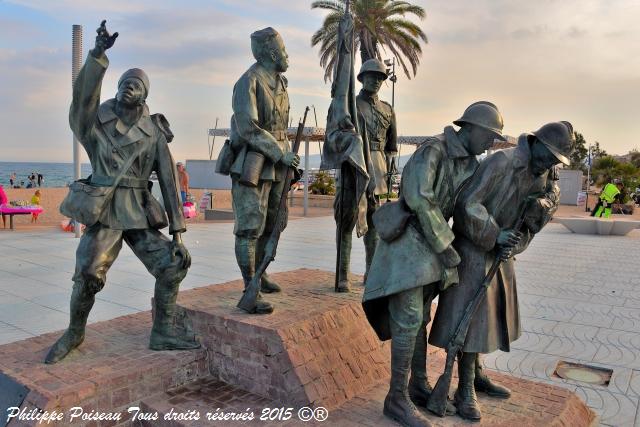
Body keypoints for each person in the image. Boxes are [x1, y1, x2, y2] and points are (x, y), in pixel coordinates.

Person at [45, 20, 199, 364]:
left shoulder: (154, 132)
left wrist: (178, 233)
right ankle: (74, 332)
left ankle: (163, 331)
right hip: (106, 210)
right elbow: (81, 102)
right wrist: (98, 55)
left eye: (135, 84)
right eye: (123, 83)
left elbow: (170, 182)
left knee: (173, 264)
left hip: (140, 211)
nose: (128, 88)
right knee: (87, 273)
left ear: (145, 94)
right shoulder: (95, 122)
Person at [363, 102, 506, 427]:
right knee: (409, 318)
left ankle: (416, 384)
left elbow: (469, 206)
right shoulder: (434, 149)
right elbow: (418, 198)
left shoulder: (471, 163)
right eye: (489, 136)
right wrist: (445, 247)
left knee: (421, 318)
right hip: (409, 245)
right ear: (470, 128)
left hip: (432, 250)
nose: (491, 143)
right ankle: (396, 399)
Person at [429, 121, 573, 421]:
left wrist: (534, 218)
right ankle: (464, 388)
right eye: (547, 156)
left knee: (487, 322)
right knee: (469, 322)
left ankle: (477, 375)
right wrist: (494, 234)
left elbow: (533, 220)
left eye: (554, 161)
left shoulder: (542, 175)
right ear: (534, 143)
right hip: (474, 249)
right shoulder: (501, 161)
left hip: (501, 253)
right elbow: (468, 204)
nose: (548, 164)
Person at [222, 27, 300, 314]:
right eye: (284, 51)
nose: (287, 56)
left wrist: (287, 156)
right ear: (270, 53)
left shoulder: (281, 83)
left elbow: (280, 127)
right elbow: (248, 127)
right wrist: (280, 152)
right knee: (250, 227)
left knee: (273, 221)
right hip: (254, 161)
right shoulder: (249, 82)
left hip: (279, 163)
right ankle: (248, 287)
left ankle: (261, 273)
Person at [333, 59, 398, 292]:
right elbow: (336, 136)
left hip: (378, 174)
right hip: (354, 168)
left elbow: (391, 146)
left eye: (380, 78)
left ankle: (372, 272)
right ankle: (342, 276)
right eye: (371, 76)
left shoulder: (388, 110)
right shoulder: (350, 105)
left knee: (374, 227)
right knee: (346, 224)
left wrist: (389, 172)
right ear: (361, 78)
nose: (376, 81)